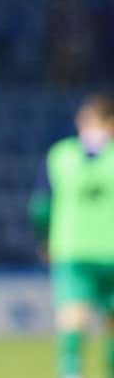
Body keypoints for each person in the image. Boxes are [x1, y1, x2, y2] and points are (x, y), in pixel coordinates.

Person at [28, 93, 114, 378]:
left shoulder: (61, 155)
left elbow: (40, 207)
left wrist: (44, 239)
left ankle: (71, 373)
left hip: (72, 249)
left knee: (72, 316)